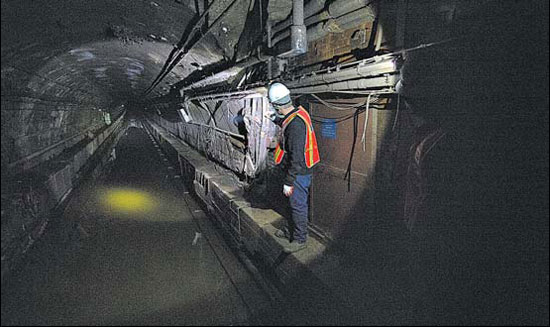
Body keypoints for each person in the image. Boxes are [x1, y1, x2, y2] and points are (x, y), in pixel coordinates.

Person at [267, 82, 320, 253]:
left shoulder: (295, 126)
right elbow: (287, 120)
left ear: (276, 105)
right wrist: (275, 119)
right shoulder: (298, 112)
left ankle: (300, 239)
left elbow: (296, 158)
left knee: (298, 205)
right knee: (292, 203)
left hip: (298, 173)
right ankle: (292, 229)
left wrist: (289, 181)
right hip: (298, 169)